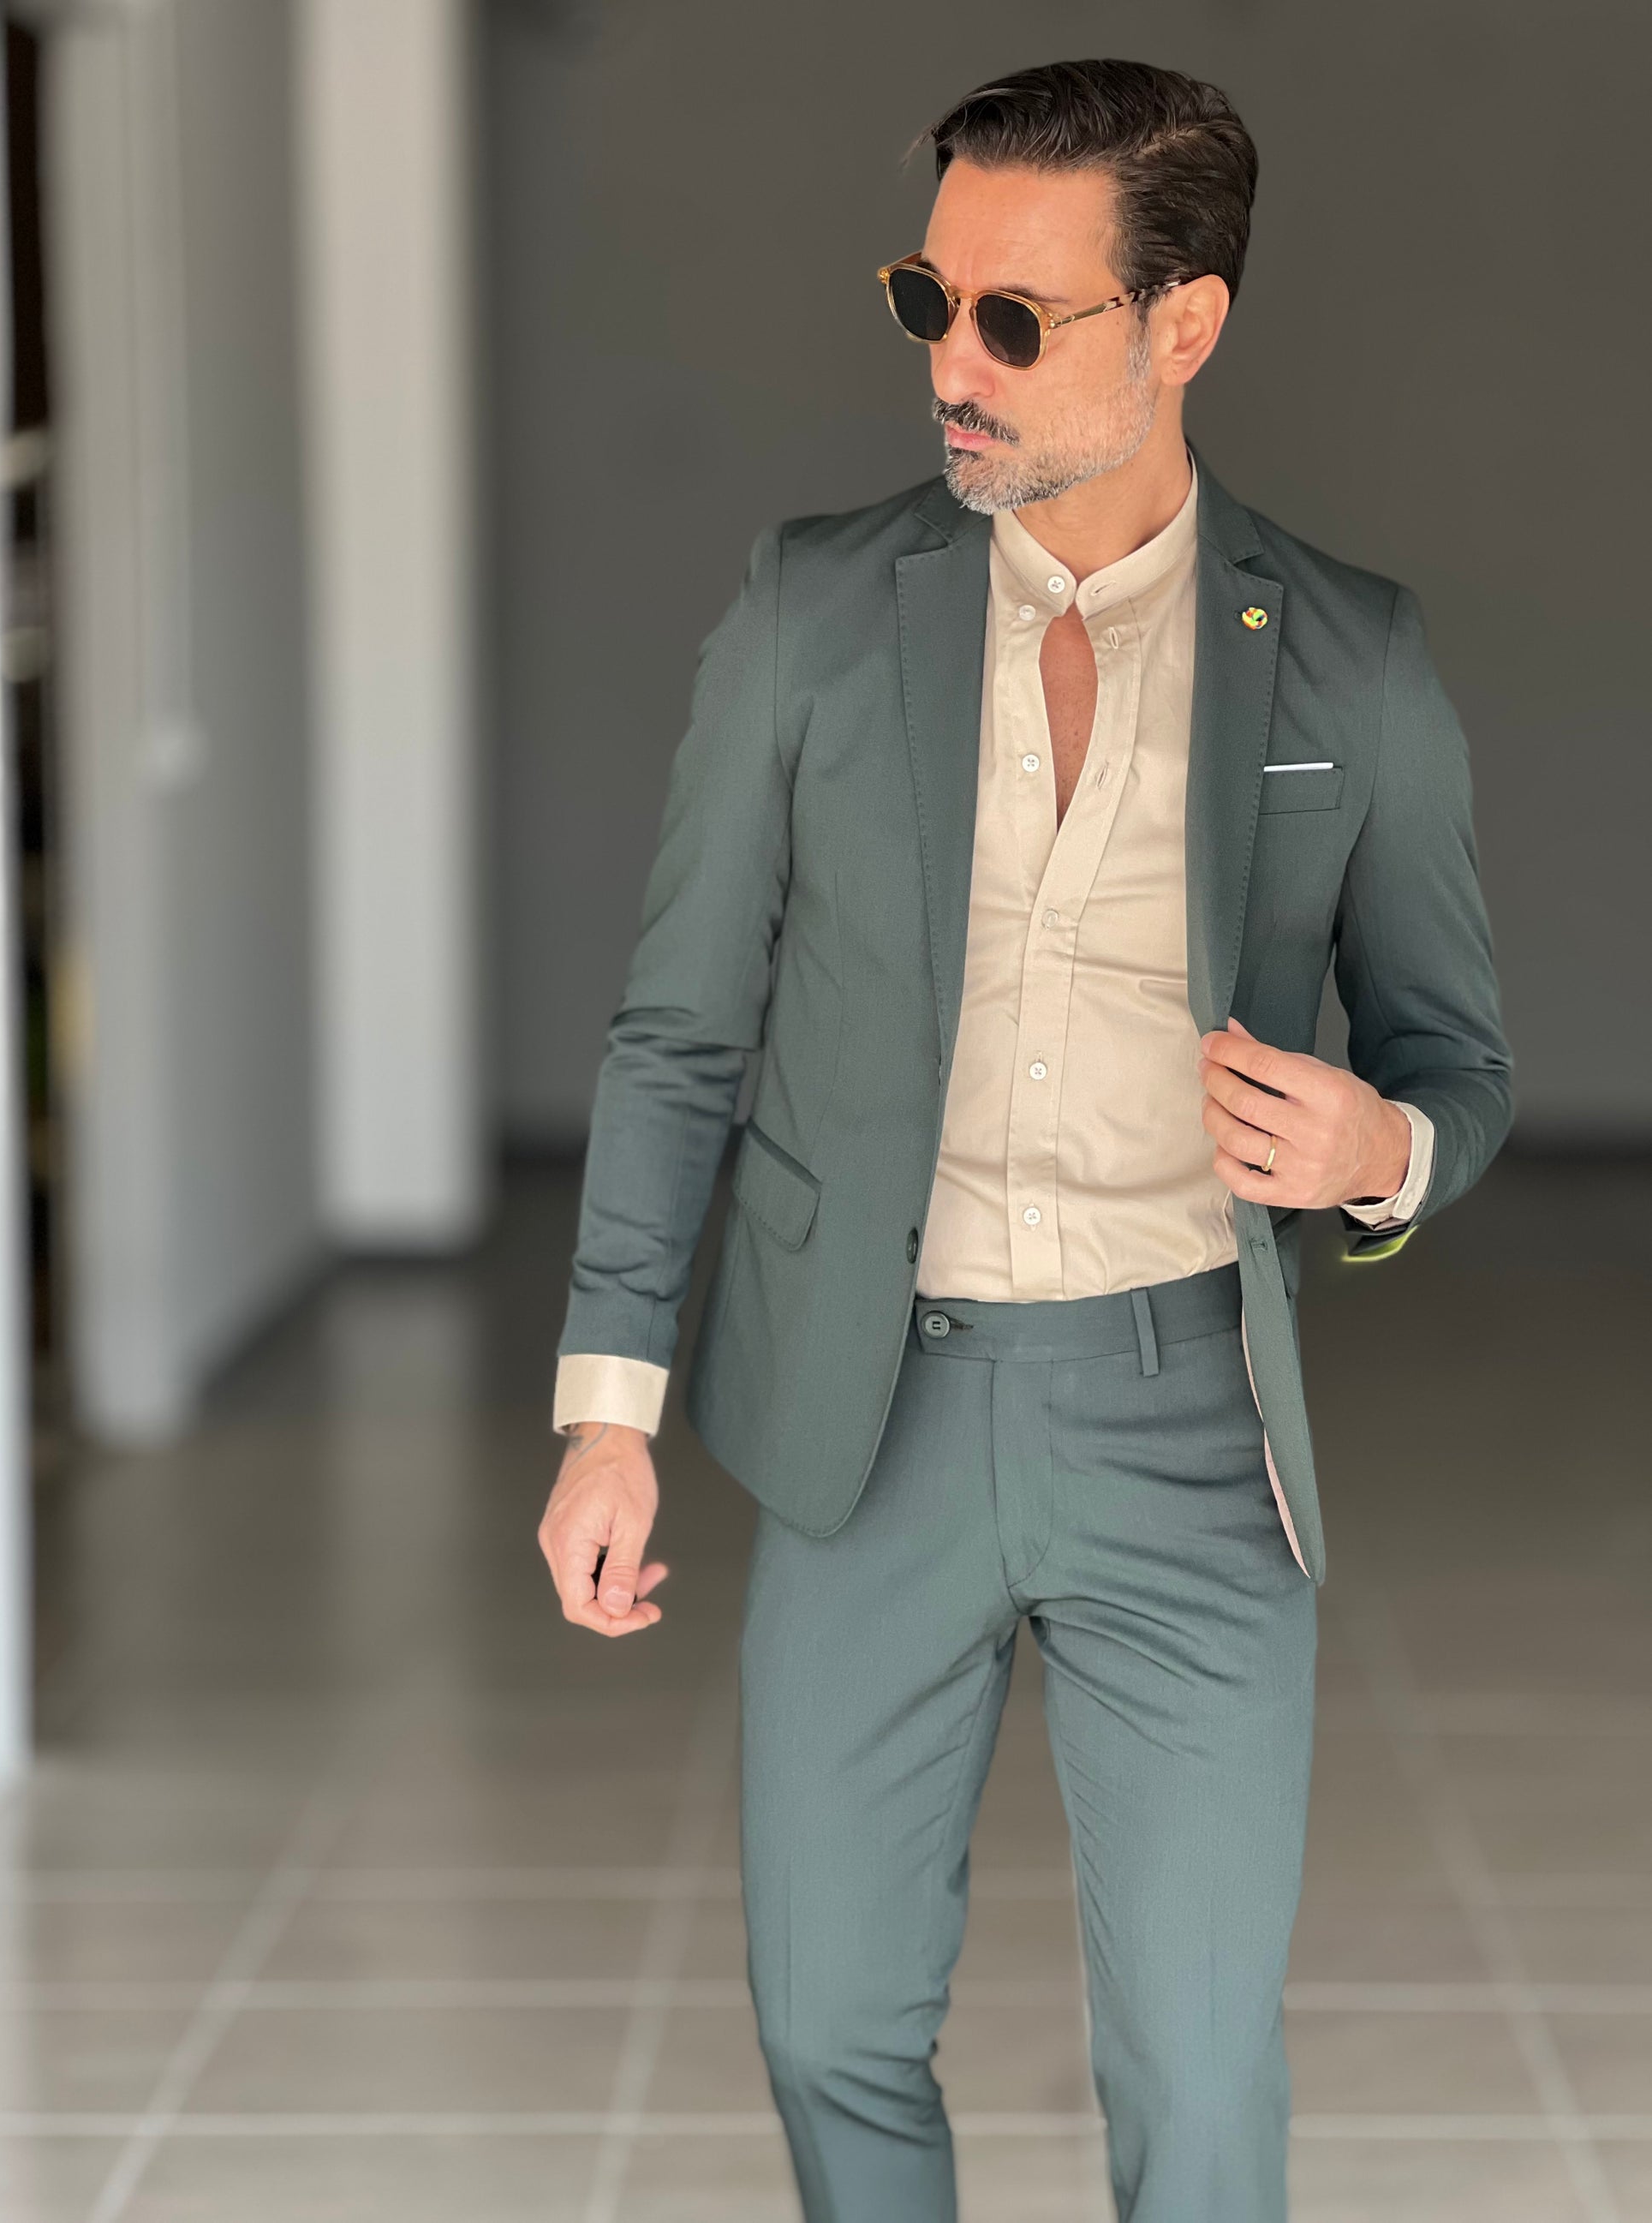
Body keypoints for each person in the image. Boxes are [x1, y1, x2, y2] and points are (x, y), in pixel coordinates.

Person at [538, 57, 1512, 2223]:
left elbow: (1457, 1062)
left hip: (1188, 1424)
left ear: (1185, 324)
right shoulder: (809, 611)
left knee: (1194, 2063)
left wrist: (1375, 1146)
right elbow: (680, 1033)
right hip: (866, 1408)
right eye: (926, 300)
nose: (949, 366)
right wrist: (610, 1413)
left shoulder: (1349, 657)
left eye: (1011, 318)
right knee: (827, 2021)